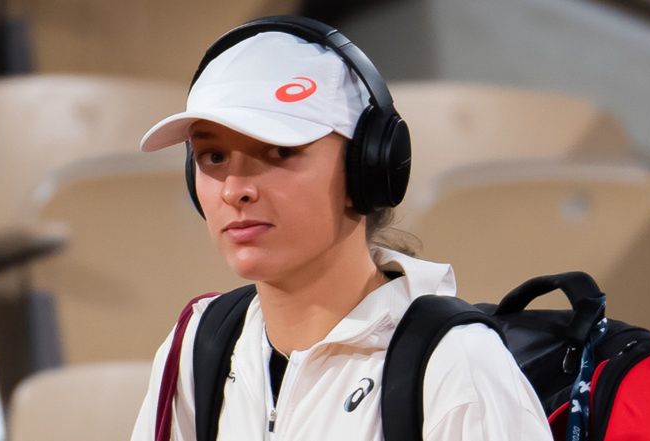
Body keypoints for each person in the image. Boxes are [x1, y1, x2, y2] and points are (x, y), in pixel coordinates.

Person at [131, 16, 552, 441]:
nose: (234, 189)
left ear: (365, 169)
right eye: (214, 157)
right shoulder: (196, 344)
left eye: (279, 151)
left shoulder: (459, 369)